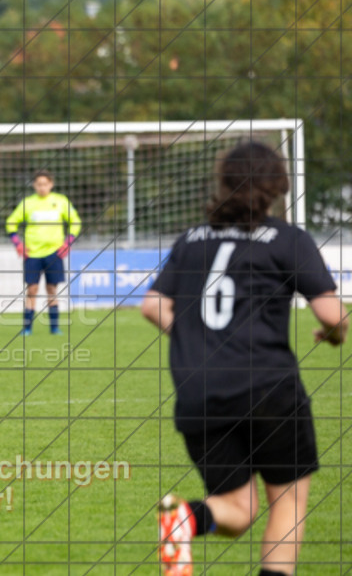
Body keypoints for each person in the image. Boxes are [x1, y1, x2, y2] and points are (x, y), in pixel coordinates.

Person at [140, 142, 346, 576]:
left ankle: (185, 518)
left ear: (224, 182)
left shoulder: (192, 239)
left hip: (199, 392)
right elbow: (331, 313)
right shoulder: (287, 238)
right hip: (268, 387)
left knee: (238, 508)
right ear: (276, 185)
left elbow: (153, 305)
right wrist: (333, 333)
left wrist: (198, 337)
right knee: (287, 501)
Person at [5, 170, 81, 335]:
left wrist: (68, 242)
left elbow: (75, 222)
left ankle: (54, 328)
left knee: (52, 289)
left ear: (51, 184)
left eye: (45, 184)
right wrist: (18, 244)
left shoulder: (60, 201)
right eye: (38, 184)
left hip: (54, 253)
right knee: (32, 289)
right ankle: (27, 328)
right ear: (34, 185)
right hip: (32, 253)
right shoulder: (28, 203)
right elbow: (11, 222)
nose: (42, 187)